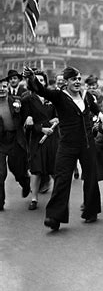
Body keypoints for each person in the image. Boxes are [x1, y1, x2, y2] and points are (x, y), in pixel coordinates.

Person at [24, 66, 102, 231]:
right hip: (67, 145)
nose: (77, 82)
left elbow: (97, 111)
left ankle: (91, 211)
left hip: (87, 143)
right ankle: (54, 217)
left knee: (91, 176)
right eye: (74, 79)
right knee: (61, 178)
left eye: (79, 79)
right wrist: (31, 78)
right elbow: (41, 89)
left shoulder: (86, 96)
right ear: (66, 82)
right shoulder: (59, 96)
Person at [21, 71, 59, 210]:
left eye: (42, 80)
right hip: (38, 138)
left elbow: (58, 115)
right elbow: (27, 123)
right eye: (36, 80)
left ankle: (58, 197)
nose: (40, 83)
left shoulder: (52, 99)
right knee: (36, 170)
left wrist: (56, 119)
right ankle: (34, 198)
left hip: (53, 137)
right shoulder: (27, 100)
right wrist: (41, 129)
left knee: (55, 168)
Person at [0, 78, 31, 210]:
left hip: (15, 139)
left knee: (17, 168)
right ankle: (0, 202)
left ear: (7, 88)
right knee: (0, 173)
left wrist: (29, 117)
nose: (1, 89)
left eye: (4, 86)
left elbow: (27, 112)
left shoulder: (16, 101)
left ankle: (25, 182)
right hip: (0, 141)